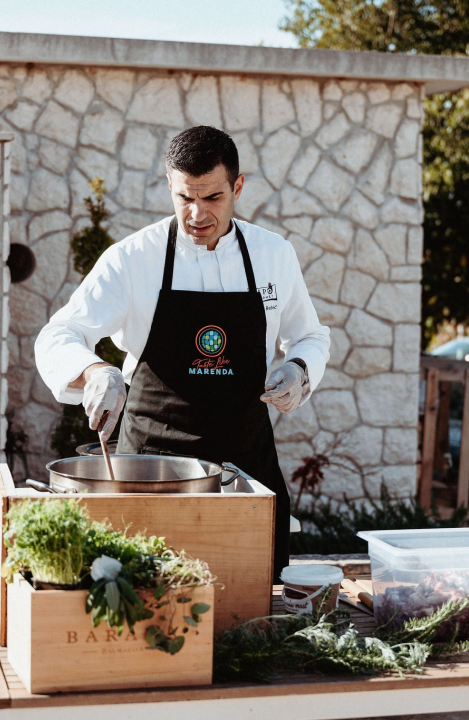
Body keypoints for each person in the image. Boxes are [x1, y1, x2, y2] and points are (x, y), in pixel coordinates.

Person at [35, 125, 331, 574]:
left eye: (211, 198)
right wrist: (95, 372)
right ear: (170, 187)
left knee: (250, 599)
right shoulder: (133, 258)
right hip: (149, 471)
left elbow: (309, 335)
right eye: (183, 198)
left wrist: (300, 370)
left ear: (238, 187)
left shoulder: (274, 255)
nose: (196, 213)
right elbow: (59, 334)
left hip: (244, 471)